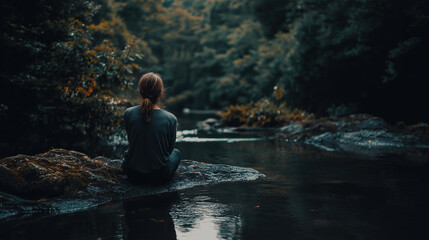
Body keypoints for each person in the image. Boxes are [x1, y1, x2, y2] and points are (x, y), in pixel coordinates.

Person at [122, 72, 181, 184]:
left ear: (140, 91)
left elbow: (132, 141)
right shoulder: (171, 118)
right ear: (160, 93)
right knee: (177, 153)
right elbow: (169, 151)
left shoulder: (128, 113)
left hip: (133, 174)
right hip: (159, 176)